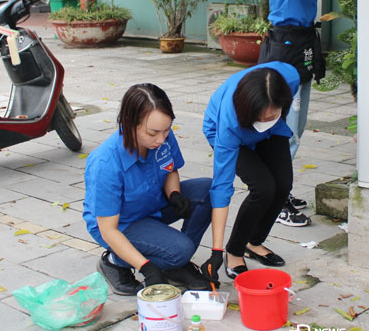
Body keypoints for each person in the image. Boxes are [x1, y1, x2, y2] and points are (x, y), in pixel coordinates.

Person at [260, 0, 356, 227]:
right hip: (284, 45)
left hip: (302, 42)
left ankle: (279, 188)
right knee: (284, 126)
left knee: (296, 126)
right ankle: (274, 197)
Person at [83, 84, 213, 295]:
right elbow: (108, 229)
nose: (161, 139)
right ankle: (116, 261)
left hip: (153, 205)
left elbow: (170, 168)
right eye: (153, 133)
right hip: (122, 224)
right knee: (182, 249)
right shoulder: (105, 163)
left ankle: (175, 263)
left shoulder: (161, 139)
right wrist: (146, 267)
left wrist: (174, 194)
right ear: (129, 123)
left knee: (208, 190)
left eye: (167, 130)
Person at [199, 62, 300, 282]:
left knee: (282, 185)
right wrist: (216, 250)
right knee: (263, 188)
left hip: (272, 132)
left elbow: (274, 113)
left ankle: (253, 243)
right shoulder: (228, 125)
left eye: (271, 115)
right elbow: (222, 187)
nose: (266, 120)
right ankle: (234, 250)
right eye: (263, 118)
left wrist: (270, 120)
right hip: (237, 128)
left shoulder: (290, 78)